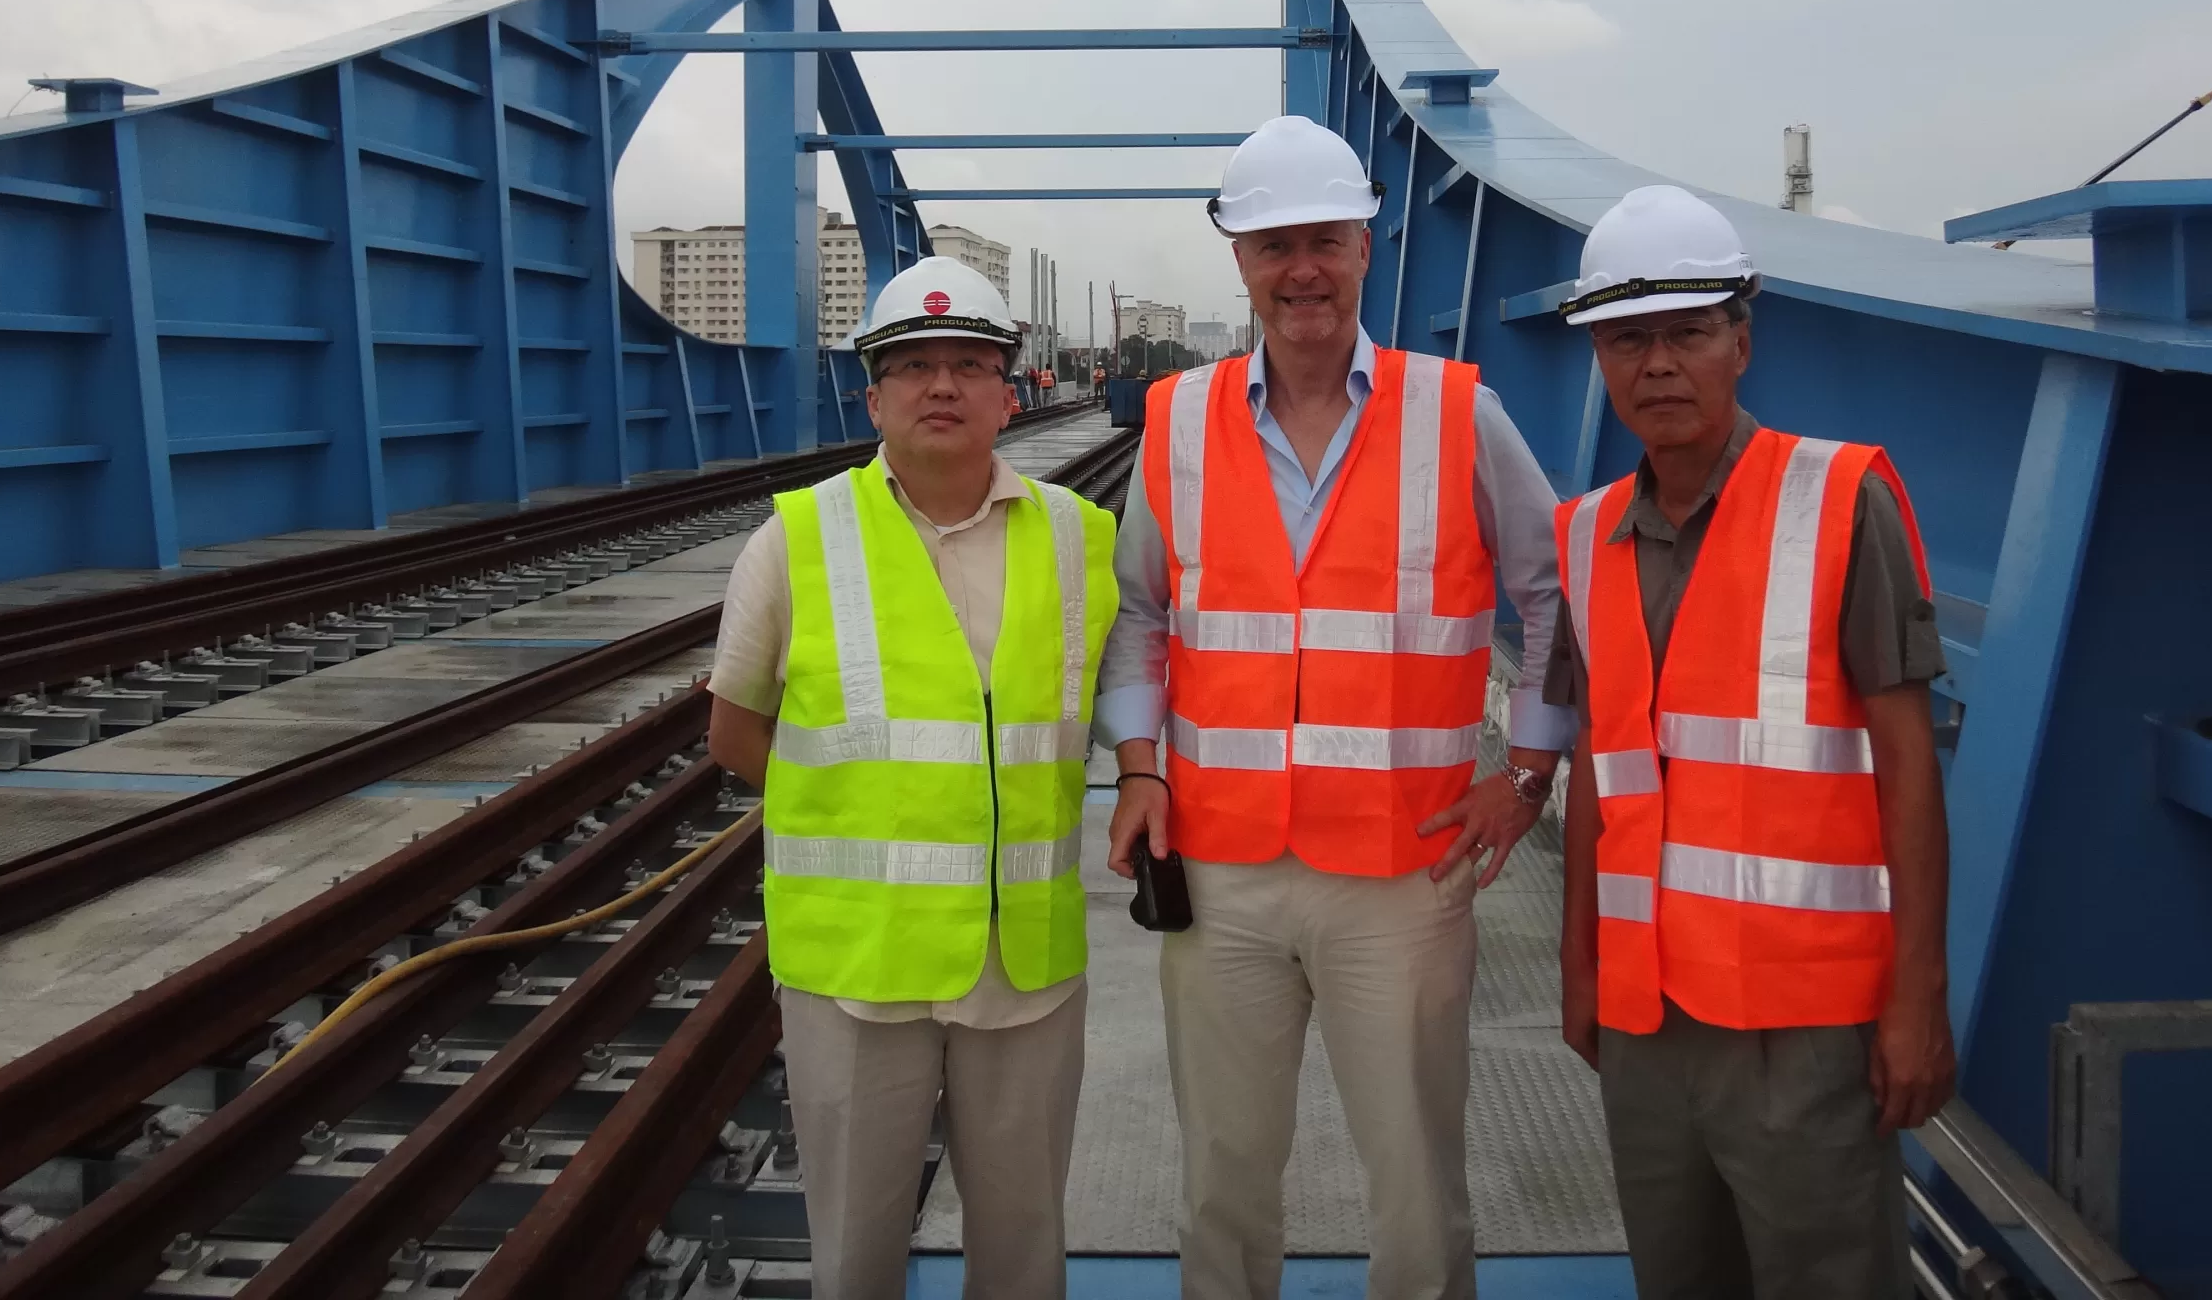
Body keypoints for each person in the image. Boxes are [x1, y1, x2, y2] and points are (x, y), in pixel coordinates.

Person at [1100, 115, 1575, 1300]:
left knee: (1415, 1180)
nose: (1301, 268)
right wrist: (1140, 765)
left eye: (1324, 239)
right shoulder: (1178, 418)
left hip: (1403, 871)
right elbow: (1140, 611)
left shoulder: (1457, 413)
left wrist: (1527, 772)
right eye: (1274, 245)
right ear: (1240, 261)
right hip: (1221, 869)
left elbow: (1551, 592)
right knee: (1220, 1173)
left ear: (1366, 246)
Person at [1546, 185, 1955, 1300]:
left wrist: (1917, 997)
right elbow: (1598, 772)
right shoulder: (1586, 536)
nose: (1657, 365)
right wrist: (1580, 966)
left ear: (1741, 341)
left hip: (1805, 1025)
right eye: (1626, 340)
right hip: (1646, 1017)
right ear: (1597, 358)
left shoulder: (1841, 500)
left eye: (1686, 333)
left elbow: (1907, 766)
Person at [705, 254, 1119, 1300]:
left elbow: (1117, 701)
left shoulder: (1080, 539)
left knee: (1024, 1251)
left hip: (1023, 962)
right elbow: (735, 730)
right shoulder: (796, 540)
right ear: (873, 397)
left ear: (1008, 392)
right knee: (856, 1254)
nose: (942, 385)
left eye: (970, 364)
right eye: (913, 366)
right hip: (858, 968)